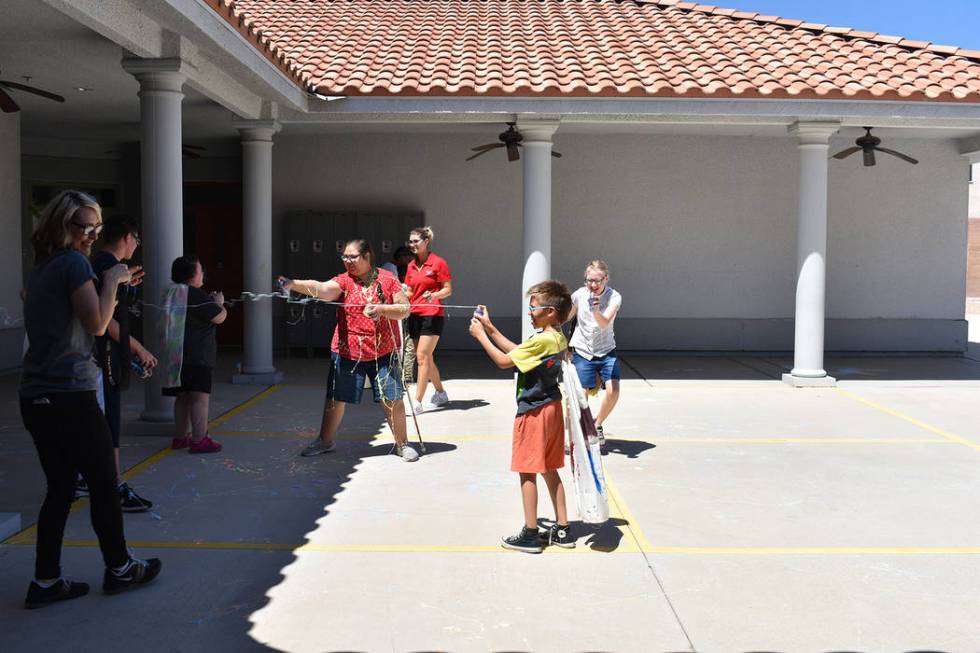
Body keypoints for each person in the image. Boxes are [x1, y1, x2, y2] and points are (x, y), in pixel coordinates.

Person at [20, 190, 161, 609]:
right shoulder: (71, 263)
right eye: (81, 226)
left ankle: (46, 580)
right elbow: (98, 324)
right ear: (60, 225)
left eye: (94, 228)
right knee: (103, 484)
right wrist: (114, 281)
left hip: (36, 396)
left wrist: (110, 284)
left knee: (61, 489)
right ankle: (120, 569)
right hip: (70, 394)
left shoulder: (43, 267)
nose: (88, 235)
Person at [280, 239, 419, 462]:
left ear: (367, 257)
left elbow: (404, 309)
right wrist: (292, 283)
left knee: (392, 398)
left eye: (353, 257)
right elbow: (322, 289)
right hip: (347, 350)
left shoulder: (387, 279)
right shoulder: (344, 281)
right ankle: (324, 441)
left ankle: (402, 444)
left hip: (383, 350)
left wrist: (382, 309)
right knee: (335, 398)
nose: (348, 261)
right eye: (344, 257)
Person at [468, 281, 574, 553]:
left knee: (527, 470)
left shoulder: (542, 339)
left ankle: (530, 534)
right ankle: (563, 529)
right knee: (550, 468)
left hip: (534, 410)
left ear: (550, 311)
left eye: (534, 306)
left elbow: (505, 361)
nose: (529, 310)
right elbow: (518, 352)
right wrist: (490, 328)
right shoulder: (556, 336)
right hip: (551, 407)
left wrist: (480, 336)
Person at [90, 215, 158, 511]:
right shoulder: (107, 267)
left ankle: (105, 482)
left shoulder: (108, 267)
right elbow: (104, 323)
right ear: (127, 236)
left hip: (107, 356)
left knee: (106, 420)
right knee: (108, 421)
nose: (137, 245)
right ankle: (111, 485)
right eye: (137, 239)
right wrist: (138, 347)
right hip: (101, 358)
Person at [162, 255, 226, 453]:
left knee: (182, 398)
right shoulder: (195, 294)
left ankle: (180, 437)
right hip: (198, 357)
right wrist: (219, 303)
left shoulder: (171, 292)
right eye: (200, 270)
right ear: (191, 276)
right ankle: (199, 439)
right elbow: (219, 317)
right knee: (199, 398)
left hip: (176, 357)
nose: (202, 274)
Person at [567, 260, 622, 447]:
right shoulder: (578, 295)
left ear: (606, 279)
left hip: (606, 350)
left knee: (613, 391)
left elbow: (604, 322)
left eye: (598, 280)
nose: (593, 285)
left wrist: (596, 309)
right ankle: (578, 432)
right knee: (581, 395)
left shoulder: (614, 297)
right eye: (589, 280)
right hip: (582, 350)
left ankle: (597, 424)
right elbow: (567, 317)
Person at [404, 226, 452, 414]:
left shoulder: (438, 263)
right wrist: (399, 294)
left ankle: (417, 402)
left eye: (416, 241)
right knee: (427, 358)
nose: (412, 244)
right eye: (410, 241)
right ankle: (440, 393)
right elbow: (409, 290)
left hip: (432, 315)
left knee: (422, 357)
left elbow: (448, 289)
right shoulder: (410, 265)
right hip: (414, 315)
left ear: (426, 241)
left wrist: (434, 296)